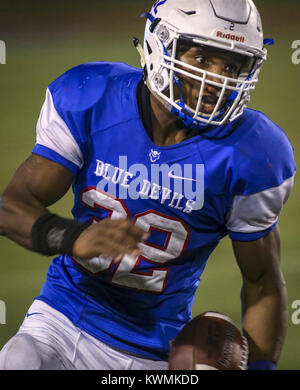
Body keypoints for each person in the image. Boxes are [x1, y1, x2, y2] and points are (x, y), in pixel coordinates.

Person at [0, 0, 296, 370]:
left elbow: (262, 282)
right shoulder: (93, 98)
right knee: (18, 359)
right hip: (60, 321)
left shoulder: (252, 153)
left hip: (155, 353)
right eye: (203, 59)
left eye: (232, 66)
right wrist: (71, 236)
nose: (217, 79)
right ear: (161, 45)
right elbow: (10, 206)